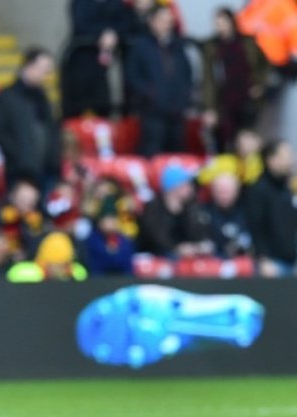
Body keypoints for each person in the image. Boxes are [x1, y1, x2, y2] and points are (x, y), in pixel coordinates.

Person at [124, 5, 192, 157]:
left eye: (169, 21)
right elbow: (132, 76)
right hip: (152, 112)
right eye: (162, 20)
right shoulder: (141, 45)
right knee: (152, 153)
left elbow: (187, 74)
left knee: (177, 154)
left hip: (176, 112)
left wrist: (184, 96)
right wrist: (149, 93)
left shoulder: (177, 46)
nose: (166, 24)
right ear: (152, 21)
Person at [0, 46, 61, 193]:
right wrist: (18, 156)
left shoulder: (42, 97)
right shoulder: (8, 96)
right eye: (43, 69)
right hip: (20, 173)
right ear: (29, 66)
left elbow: (51, 130)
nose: (45, 74)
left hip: (46, 170)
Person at [200, 6, 269, 153]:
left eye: (223, 22)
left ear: (231, 22)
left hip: (246, 98)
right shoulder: (212, 47)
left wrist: (259, 85)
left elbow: (264, 66)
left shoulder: (247, 42)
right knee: (224, 138)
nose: (220, 27)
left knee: (247, 137)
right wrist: (209, 107)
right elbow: (208, 79)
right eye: (217, 23)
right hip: (223, 100)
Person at [136, 164, 213, 258]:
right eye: (186, 184)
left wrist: (198, 247)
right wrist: (176, 248)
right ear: (175, 187)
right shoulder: (153, 208)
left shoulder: (190, 207)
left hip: (185, 257)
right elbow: (155, 239)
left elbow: (198, 233)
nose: (190, 188)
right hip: (156, 256)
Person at [246, 139, 296, 276]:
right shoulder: (258, 189)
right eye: (285, 157)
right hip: (272, 265)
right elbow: (255, 227)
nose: (290, 161)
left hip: (292, 261)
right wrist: (263, 259)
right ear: (271, 160)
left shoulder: (287, 188)